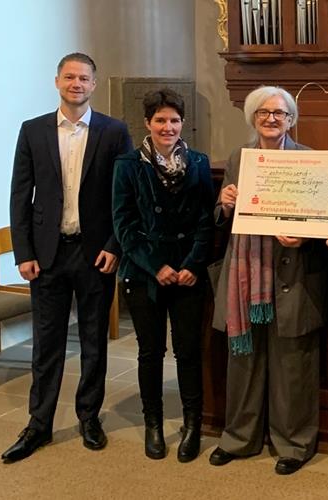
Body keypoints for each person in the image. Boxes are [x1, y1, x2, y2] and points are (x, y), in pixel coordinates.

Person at [4, 53, 133, 463]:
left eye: (84, 78)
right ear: (57, 81)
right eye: (70, 77)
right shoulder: (33, 131)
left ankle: (89, 418)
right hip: (48, 255)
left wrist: (114, 246)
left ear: (94, 85)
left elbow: (123, 195)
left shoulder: (114, 131)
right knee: (47, 344)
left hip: (95, 253)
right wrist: (23, 252)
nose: (76, 83)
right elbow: (20, 195)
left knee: (94, 341)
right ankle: (38, 425)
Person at [208, 86, 328, 476]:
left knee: (292, 364)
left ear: (292, 120)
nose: (272, 119)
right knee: (243, 359)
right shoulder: (238, 157)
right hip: (246, 276)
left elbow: (326, 216)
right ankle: (238, 437)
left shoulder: (308, 159)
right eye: (263, 113)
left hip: (293, 273)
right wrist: (224, 204)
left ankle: (293, 443)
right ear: (253, 119)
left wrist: (305, 234)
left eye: (280, 113)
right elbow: (225, 213)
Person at [112, 88, 215, 461]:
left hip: (188, 272)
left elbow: (206, 221)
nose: (167, 127)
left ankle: (192, 426)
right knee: (150, 352)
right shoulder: (128, 165)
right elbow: (123, 225)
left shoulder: (200, 163)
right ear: (147, 123)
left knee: (188, 352)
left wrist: (191, 265)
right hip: (144, 273)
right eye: (160, 120)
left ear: (182, 123)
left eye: (174, 120)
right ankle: (153, 424)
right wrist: (156, 266)